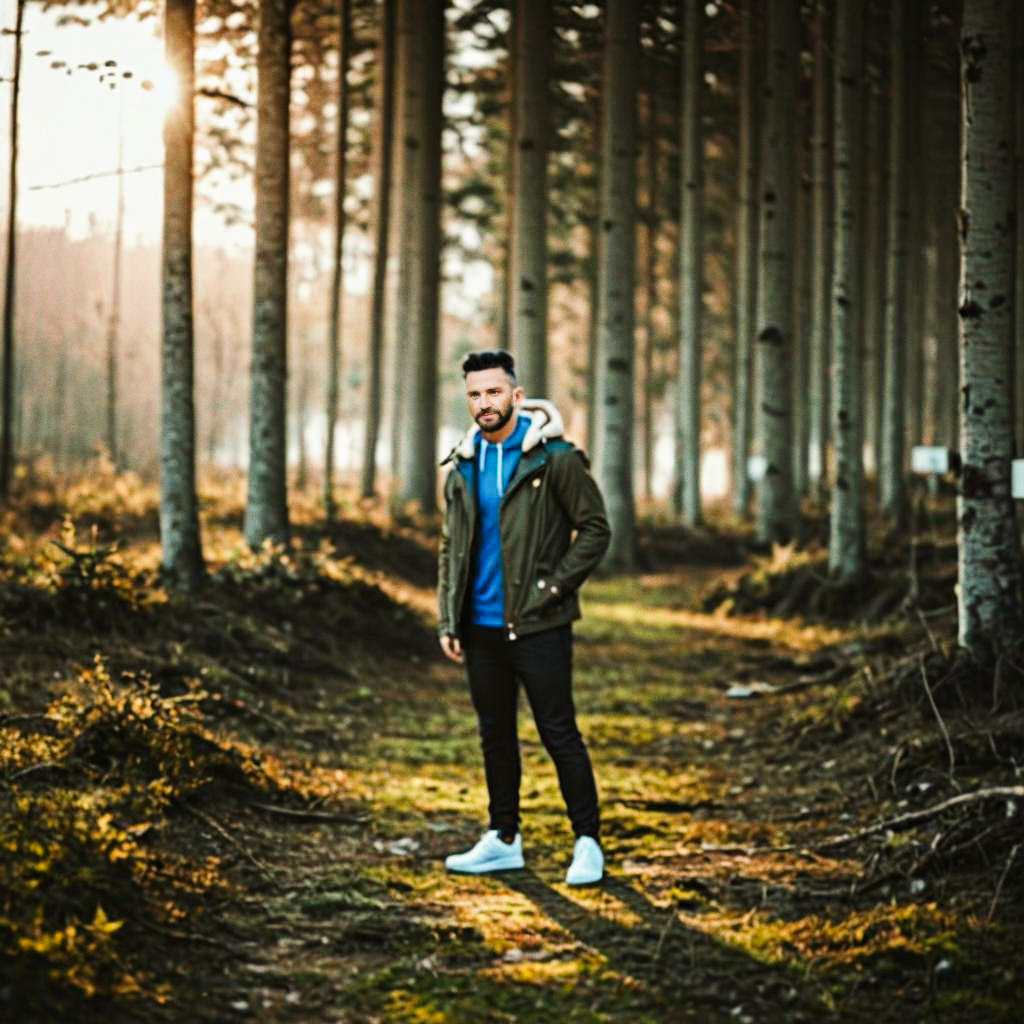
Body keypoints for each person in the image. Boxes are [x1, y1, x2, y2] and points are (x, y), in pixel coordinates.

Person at [437, 349, 611, 885]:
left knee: (558, 731)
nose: (483, 403)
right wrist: (449, 615)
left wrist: (554, 588)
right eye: (474, 394)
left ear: (516, 396)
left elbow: (595, 530)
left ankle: (587, 843)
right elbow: (452, 545)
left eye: (493, 392)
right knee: (495, 734)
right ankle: (504, 839)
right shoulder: (462, 464)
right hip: (480, 627)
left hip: (540, 623)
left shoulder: (553, 459)